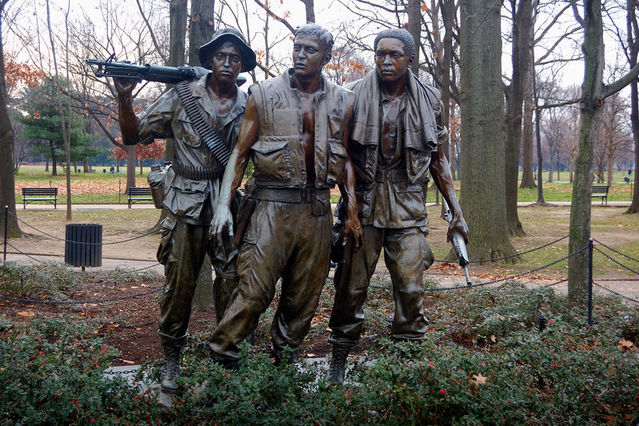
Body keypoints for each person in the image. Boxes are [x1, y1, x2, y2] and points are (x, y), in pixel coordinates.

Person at [209, 23, 362, 367]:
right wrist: (222, 205)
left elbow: (347, 157)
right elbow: (239, 153)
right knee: (252, 292)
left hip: (318, 210)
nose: (300, 55)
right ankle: (222, 364)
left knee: (303, 299)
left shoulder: (344, 100)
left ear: (327, 56)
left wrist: (351, 209)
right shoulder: (263, 94)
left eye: (310, 50)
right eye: (297, 47)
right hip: (270, 207)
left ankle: (284, 370)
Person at [114, 28, 257, 393]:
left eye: (234, 58)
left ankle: (227, 357)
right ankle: (171, 360)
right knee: (179, 284)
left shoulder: (250, 104)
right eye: (221, 56)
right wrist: (124, 100)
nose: (227, 62)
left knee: (231, 282)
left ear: (242, 64)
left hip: (227, 203)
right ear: (209, 60)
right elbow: (134, 137)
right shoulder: (181, 96)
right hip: (185, 203)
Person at [325, 28, 469, 383]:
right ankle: (339, 358)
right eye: (380, 55)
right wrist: (352, 210)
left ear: (409, 59)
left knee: (410, 284)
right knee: (351, 285)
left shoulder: (430, 99)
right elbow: (341, 155)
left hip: (408, 205)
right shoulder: (353, 95)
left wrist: (456, 210)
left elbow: (439, 159)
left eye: (394, 55)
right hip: (365, 202)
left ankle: (406, 363)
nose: (386, 61)